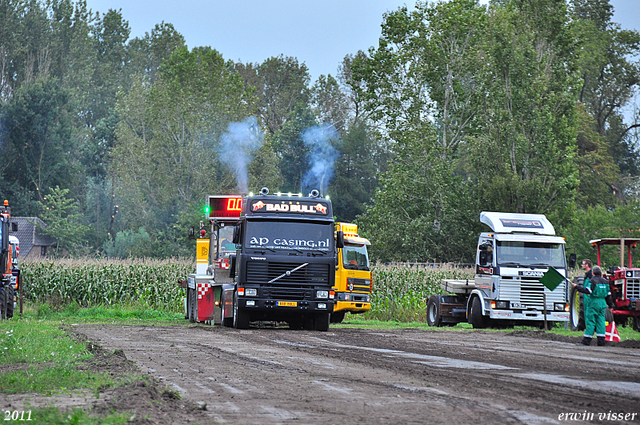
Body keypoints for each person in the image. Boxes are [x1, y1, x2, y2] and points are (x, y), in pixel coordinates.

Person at [572, 265, 614, 346]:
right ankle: (601, 341)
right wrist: (611, 306)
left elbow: (587, 291)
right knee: (601, 322)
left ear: (593, 273)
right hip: (602, 303)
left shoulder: (592, 281)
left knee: (591, 321)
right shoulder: (605, 282)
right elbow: (608, 295)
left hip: (593, 303)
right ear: (601, 273)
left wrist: (577, 287)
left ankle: (586, 341)